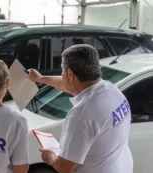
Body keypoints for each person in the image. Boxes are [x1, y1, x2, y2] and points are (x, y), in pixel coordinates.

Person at [26, 44, 133, 173]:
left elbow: (65, 167)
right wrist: (40, 79)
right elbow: (70, 85)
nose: (61, 73)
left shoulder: (82, 115)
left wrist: (51, 157)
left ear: (70, 74)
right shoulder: (112, 91)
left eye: (62, 70)